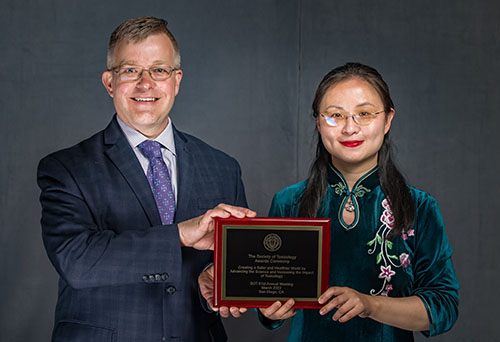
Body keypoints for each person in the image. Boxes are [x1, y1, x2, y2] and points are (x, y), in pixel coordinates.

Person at [37, 16, 254, 342]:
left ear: (176, 81)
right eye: (130, 71)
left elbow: (234, 265)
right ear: (109, 82)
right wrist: (179, 235)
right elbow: (77, 262)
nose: (145, 83)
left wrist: (218, 280)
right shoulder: (66, 168)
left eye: (159, 70)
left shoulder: (223, 167)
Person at [256, 63, 459, 341]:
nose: (350, 128)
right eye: (335, 115)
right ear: (318, 121)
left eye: (364, 114)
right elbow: (270, 299)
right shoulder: (289, 202)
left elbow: (443, 307)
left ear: (387, 120)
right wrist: (269, 310)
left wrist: (370, 304)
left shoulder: (419, 206)